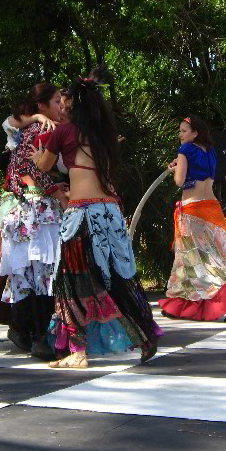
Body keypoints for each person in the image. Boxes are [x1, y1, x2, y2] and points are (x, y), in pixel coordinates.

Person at [31, 67, 162, 368]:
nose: (61, 105)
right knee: (116, 278)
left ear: (74, 103)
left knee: (72, 281)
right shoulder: (104, 135)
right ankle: (144, 336)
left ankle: (77, 349)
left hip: (82, 216)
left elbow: (44, 165)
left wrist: (38, 157)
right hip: (110, 213)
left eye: (65, 100)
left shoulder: (63, 132)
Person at [158, 115, 226, 322]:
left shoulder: (185, 151)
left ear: (195, 133)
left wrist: (174, 169)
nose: (180, 135)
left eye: (183, 131)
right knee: (218, 255)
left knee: (193, 259)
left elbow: (179, 181)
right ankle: (224, 300)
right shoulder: (211, 152)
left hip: (193, 210)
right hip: (212, 208)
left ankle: (206, 301)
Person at [0, 83, 67, 360]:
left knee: (27, 272)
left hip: (24, 210)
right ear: (43, 106)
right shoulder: (42, 130)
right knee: (44, 271)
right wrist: (54, 191)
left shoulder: (31, 130)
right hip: (37, 209)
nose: (62, 107)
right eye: (57, 102)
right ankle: (39, 335)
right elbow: (27, 168)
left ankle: (22, 327)